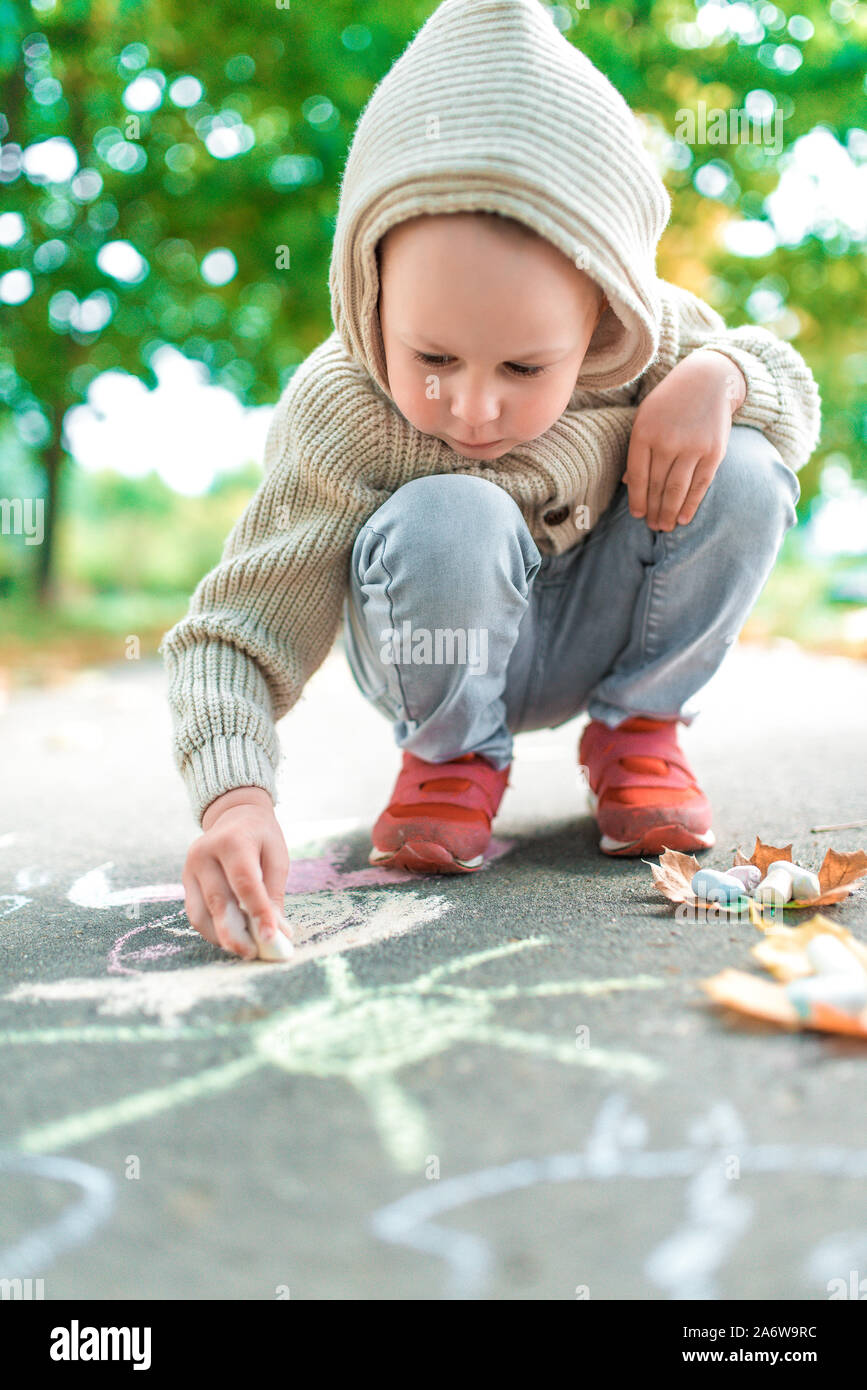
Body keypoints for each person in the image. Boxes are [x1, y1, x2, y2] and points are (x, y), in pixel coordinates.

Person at [159, 0, 821, 957]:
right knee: (451, 510)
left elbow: (792, 399)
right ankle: (452, 758)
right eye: (430, 356)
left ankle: (639, 730)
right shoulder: (344, 405)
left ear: (601, 317)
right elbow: (236, 628)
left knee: (749, 463)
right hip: (440, 641)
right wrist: (234, 798)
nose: (471, 409)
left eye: (523, 370)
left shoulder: (653, 339)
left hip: (602, 627)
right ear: (370, 293)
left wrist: (722, 376)